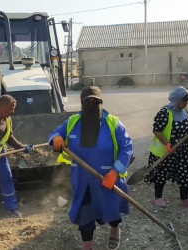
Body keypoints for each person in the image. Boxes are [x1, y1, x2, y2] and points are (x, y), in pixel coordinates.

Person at [49, 86, 132, 250]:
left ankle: (115, 228)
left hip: (108, 177)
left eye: (96, 102)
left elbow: (127, 147)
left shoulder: (114, 123)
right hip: (83, 179)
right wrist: (56, 138)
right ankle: (87, 246)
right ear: (82, 103)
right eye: (88, 101)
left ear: (101, 103)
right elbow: (55, 133)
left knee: (111, 210)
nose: (92, 105)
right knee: (85, 217)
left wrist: (115, 171)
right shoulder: (73, 122)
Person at [144, 86, 188, 208]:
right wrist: (167, 144)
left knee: (184, 173)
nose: (186, 103)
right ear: (177, 100)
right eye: (184, 100)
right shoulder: (165, 112)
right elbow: (157, 130)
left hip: (182, 150)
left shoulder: (184, 109)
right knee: (161, 174)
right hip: (166, 150)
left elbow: (186, 119)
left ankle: (185, 199)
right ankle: (158, 198)